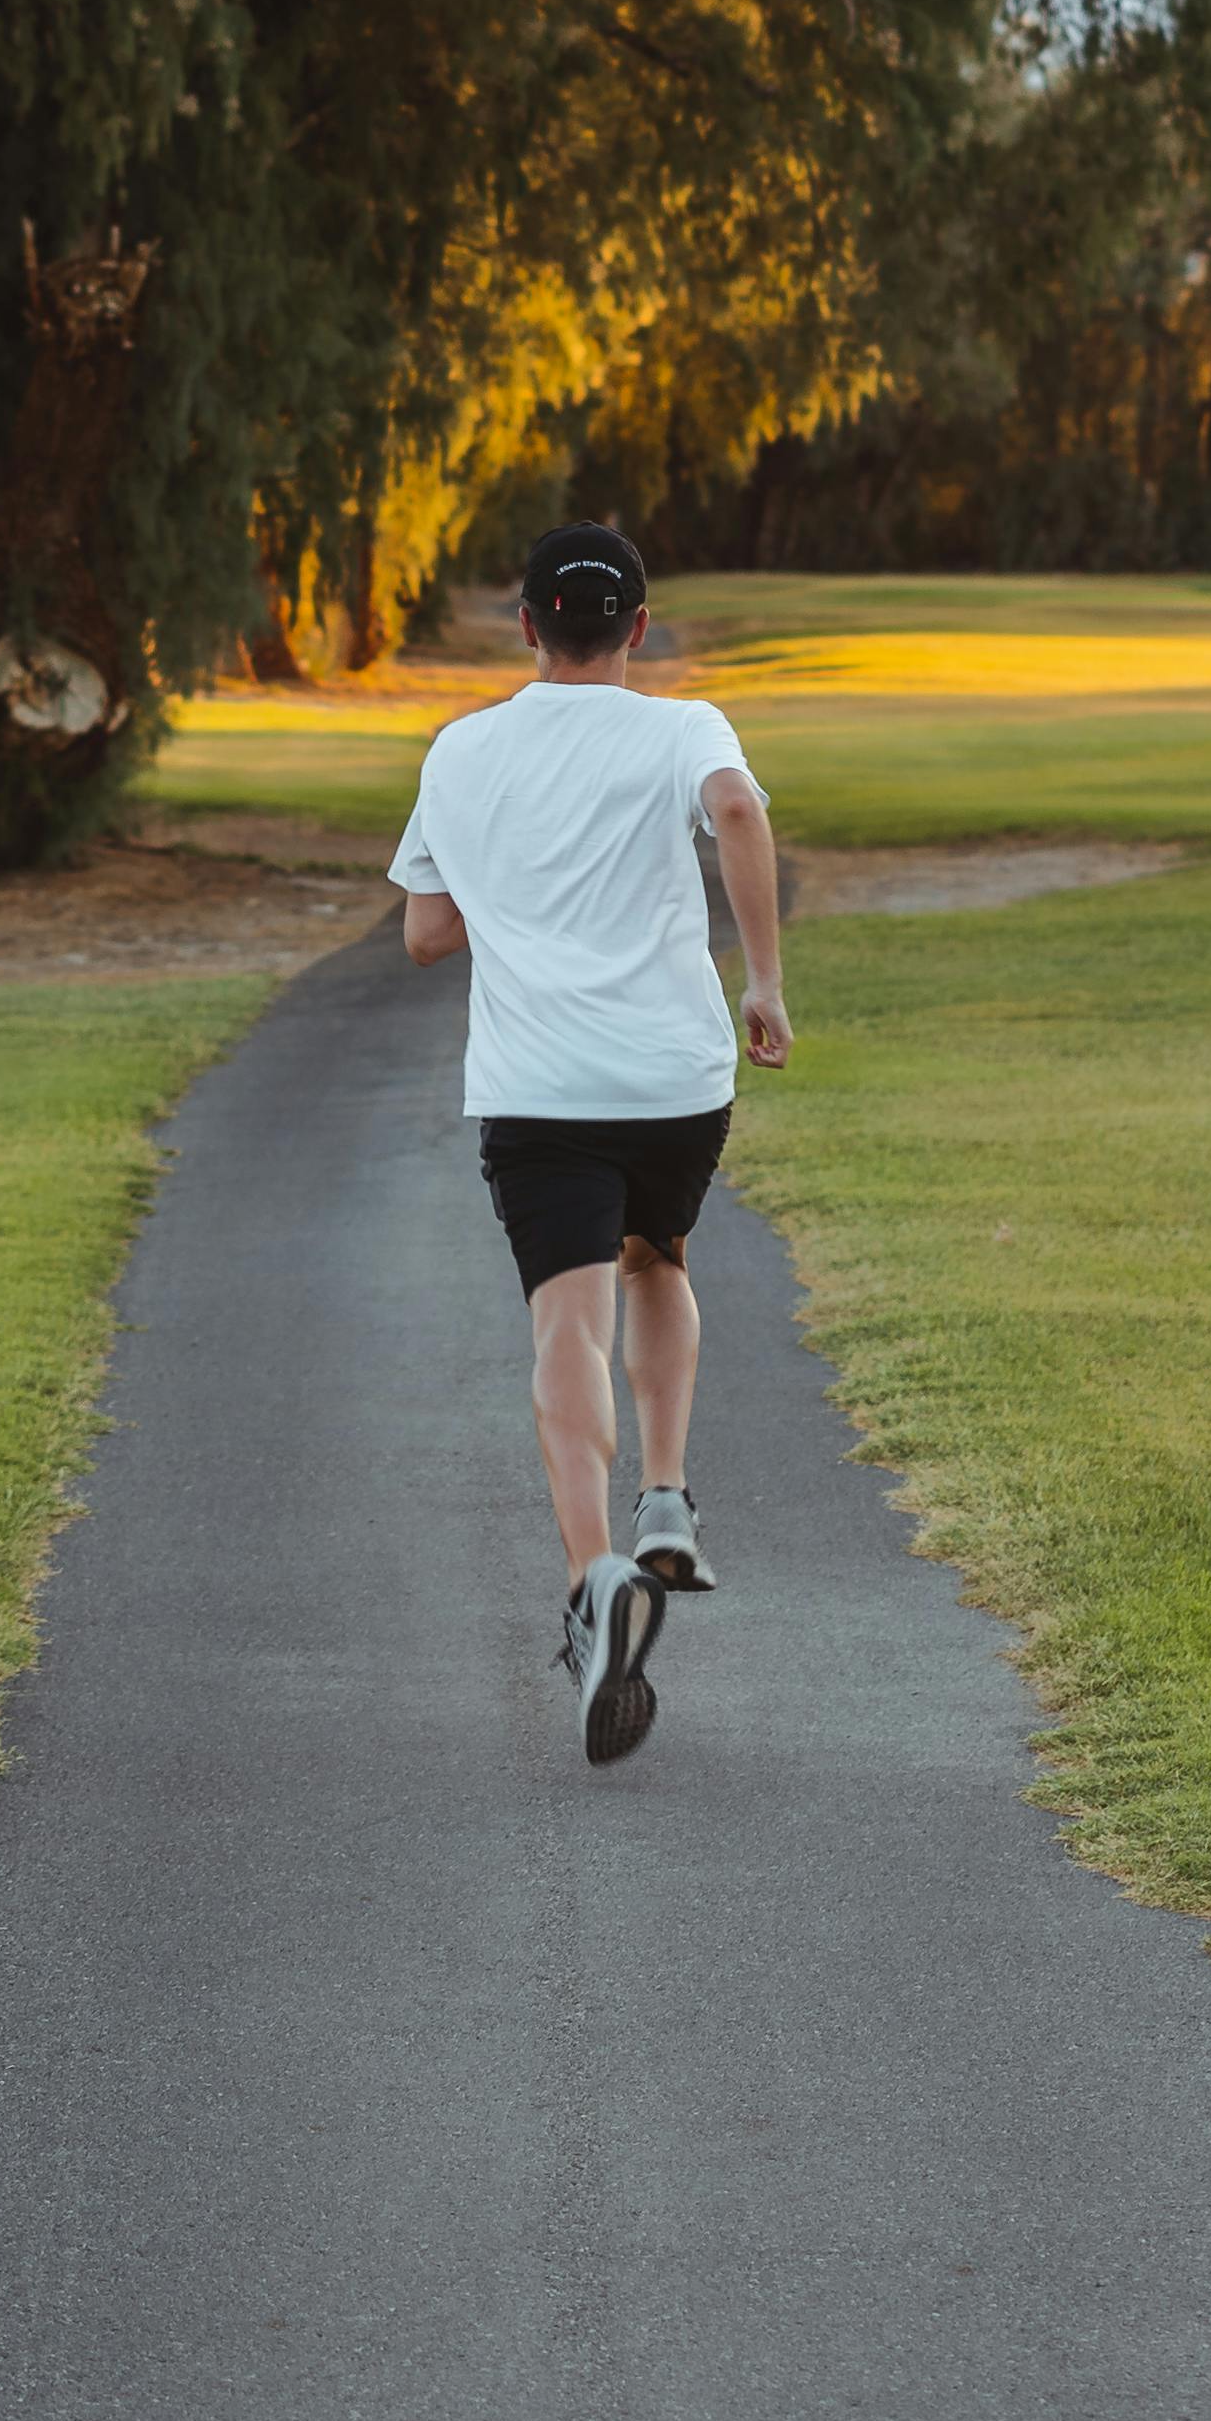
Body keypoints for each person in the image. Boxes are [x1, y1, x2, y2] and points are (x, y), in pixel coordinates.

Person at [390, 520, 791, 1765]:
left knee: (567, 1322)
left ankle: (593, 1577)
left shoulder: (461, 749)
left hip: (539, 1084)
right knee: (655, 1252)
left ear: (525, 624)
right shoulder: (684, 730)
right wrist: (764, 980)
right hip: (673, 1077)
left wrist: (513, 899)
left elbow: (423, 933)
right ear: (638, 623)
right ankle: (665, 1493)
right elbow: (732, 805)